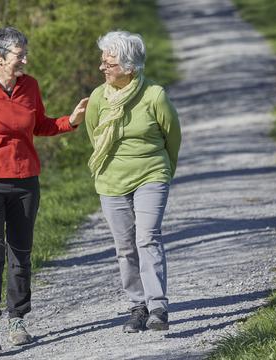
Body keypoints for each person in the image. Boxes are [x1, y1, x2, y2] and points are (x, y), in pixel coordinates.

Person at [0, 26, 88, 351]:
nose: (25, 58)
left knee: (21, 254)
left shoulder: (30, 87)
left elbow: (40, 125)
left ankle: (18, 319)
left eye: (25, 52)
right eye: (19, 53)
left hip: (25, 182)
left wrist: (72, 120)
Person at [85, 30, 181, 333]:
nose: (103, 68)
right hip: (111, 181)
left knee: (147, 237)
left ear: (129, 67)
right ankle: (137, 306)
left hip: (151, 174)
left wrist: (164, 172)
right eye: (102, 62)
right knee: (125, 246)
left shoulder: (154, 96)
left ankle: (158, 307)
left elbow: (172, 138)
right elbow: (94, 136)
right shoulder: (99, 97)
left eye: (109, 64)